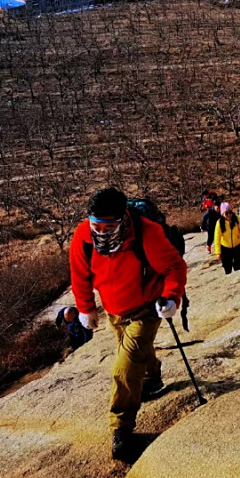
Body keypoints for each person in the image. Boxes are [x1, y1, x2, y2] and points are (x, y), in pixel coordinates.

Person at [69, 187, 187, 463]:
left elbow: (174, 267)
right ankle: (153, 379)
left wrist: (172, 296)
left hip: (146, 308)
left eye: (108, 225)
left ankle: (121, 430)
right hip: (114, 309)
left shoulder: (145, 232)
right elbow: (80, 275)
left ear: (123, 218)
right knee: (136, 354)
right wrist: (86, 308)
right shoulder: (83, 236)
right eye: (96, 224)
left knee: (124, 368)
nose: (101, 231)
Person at [213, 201, 240, 273]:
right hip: (225, 247)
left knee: (239, 264)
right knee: (227, 266)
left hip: (238, 244)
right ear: (222, 214)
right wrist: (218, 252)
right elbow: (217, 238)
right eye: (226, 213)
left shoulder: (237, 219)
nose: (229, 215)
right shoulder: (219, 223)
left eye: (230, 212)